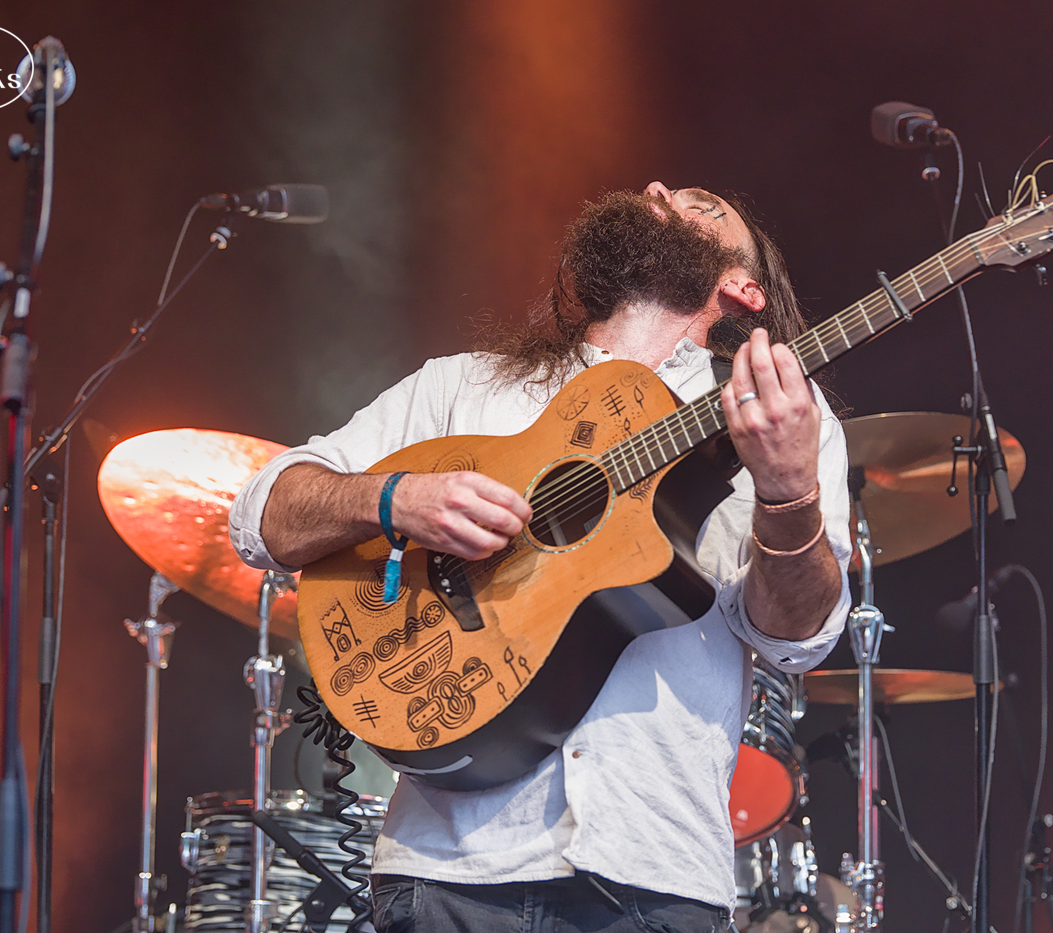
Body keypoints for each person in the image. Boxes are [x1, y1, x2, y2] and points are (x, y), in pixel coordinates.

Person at [229, 181, 854, 933]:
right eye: (662, 187)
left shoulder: (780, 417)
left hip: (654, 877)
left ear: (742, 289)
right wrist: (394, 498)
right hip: (445, 871)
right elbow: (260, 515)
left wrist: (787, 492)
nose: (658, 189)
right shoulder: (461, 385)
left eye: (702, 205)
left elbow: (797, 638)